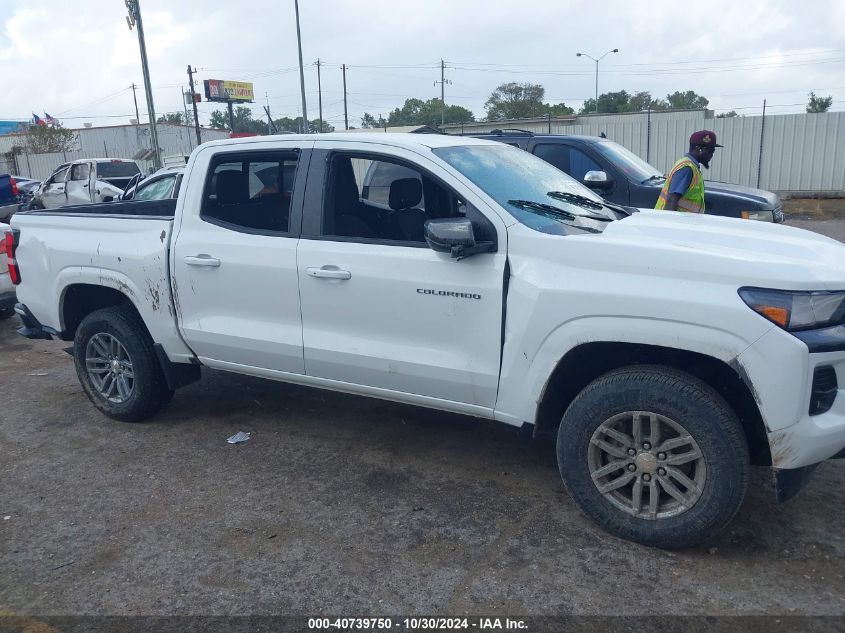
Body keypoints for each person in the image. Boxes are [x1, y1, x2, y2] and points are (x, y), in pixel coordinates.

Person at [655, 130, 723, 213]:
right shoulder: (687, 168)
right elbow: (671, 200)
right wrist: (671, 225)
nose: (712, 155)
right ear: (699, 149)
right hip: (677, 223)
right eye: (711, 151)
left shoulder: (691, 166)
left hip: (685, 222)